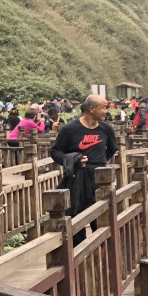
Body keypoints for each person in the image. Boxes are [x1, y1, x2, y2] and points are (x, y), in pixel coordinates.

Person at [49, 95, 119, 246]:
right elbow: (55, 152)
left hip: (100, 181)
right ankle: (77, 259)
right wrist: (74, 159)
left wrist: (99, 161)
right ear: (91, 109)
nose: (106, 111)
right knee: (76, 218)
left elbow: (113, 148)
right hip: (77, 180)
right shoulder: (70, 129)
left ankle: (104, 256)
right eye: (104, 107)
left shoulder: (106, 129)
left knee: (102, 219)